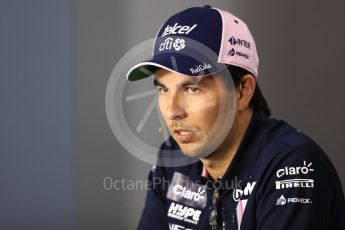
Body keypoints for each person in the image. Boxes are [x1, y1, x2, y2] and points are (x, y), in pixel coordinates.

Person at [126, 5, 345, 230]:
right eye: (163, 89)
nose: (172, 111)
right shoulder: (172, 161)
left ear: (242, 91)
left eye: (192, 88)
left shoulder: (292, 166)